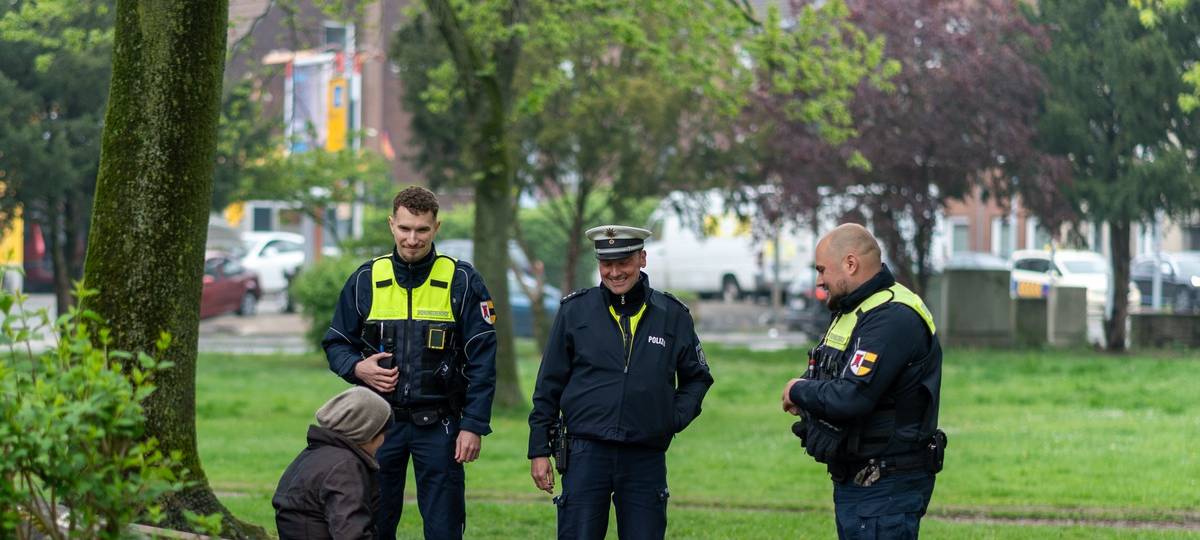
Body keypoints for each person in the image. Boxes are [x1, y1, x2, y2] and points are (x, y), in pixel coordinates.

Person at [323, 186, 497, 540]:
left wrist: (474, 424)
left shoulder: (462, 281)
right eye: (405, 229)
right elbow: (336, 343)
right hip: (378, 427)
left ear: (436, 227)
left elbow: (482, 359)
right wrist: (358, 368)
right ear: (392, 225)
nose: (412, 239)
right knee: (371, 526)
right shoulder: (366, 279)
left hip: (441, 426)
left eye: (422, 229)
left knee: (444, 528)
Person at [527, 224, 714, 540]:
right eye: (606, 264)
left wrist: (670, 418)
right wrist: (538, 449)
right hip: (584, 453)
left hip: (645, 456)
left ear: (642, 258)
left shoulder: (673, 314)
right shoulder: (574, 311)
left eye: (623, 262)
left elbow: (697, 378)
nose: (614, 272)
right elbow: (548, 386)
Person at [781, 223, 945, 539]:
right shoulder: (855, 311)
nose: (819, 281)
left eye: (822, 270)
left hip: (885, 487)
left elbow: (851, 397)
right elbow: (828, 372)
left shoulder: (892, 317)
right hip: (861, 483)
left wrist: (797, 390)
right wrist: (807, 390)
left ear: (851, 264)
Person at [273, 386, 393, 539]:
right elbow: (350, 533)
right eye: (382, 433)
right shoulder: (344, 467)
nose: (383, 441)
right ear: (366, 432)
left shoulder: (313, 455)